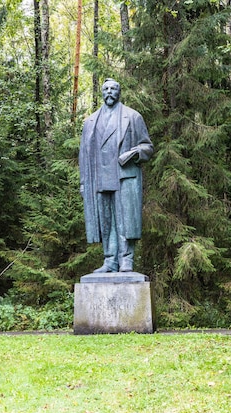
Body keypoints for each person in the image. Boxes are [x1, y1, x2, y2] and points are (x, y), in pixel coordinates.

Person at [79, 78, 154, 273]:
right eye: (106, 89)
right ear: (101, 93)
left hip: (125, 176)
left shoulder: (132, 116)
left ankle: (126, 259)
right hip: (99, 178)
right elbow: (84, 155)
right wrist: (84, 183)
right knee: (106, 221)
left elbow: (147, 147)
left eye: (114, 88)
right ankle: (110, 260)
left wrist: (134, 153)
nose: (110, 92)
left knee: (125, 220)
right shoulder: (90, 122)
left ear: (119, 92)